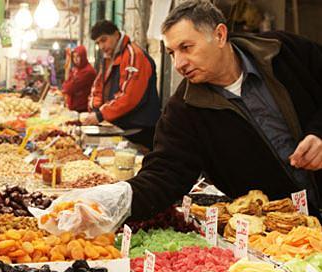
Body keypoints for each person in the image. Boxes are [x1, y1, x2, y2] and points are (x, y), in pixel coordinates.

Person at [124, 0, 322, 220]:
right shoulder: (183, 110)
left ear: (219, 35)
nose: (179, 64)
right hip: (281, 236)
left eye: (186, 48)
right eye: (171, 53)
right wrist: (113, 201)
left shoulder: (283, 50)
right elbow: (164, 174)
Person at [84, 20, 161, 150]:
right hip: (120, 128)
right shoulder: (109, 57)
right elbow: (98, 87)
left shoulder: (133, 55)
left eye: (104, 40)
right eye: (98, 43)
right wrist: (94, 109)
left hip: (139, 130)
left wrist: (100, 114)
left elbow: (130, 96)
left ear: (116, 34)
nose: (101, 46)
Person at [62, 45, 97, 113]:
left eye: (78, 56)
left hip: (82, 109)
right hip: (74, 107)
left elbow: (68, 88)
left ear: (83, 56)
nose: (75, 59)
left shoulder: (88, 71)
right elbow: (65, 85)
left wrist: (66, 85)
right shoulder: (76, 69)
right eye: (74, 57)